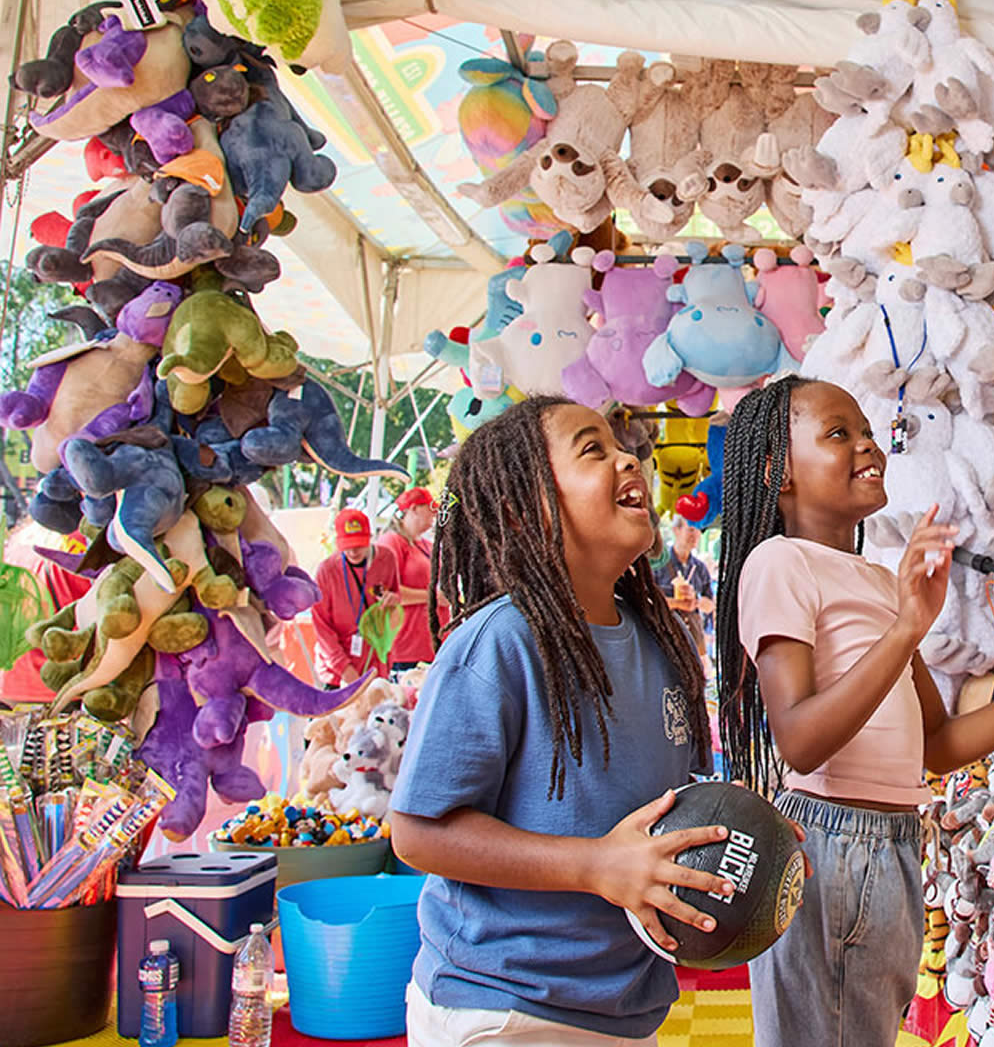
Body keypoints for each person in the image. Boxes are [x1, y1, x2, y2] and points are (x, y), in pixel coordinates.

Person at [715, 377, 994, 1047]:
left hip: (892, 843)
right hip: (827, 842)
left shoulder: (881, 582)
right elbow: (798, 741)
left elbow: (933, 746)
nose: (868, 447)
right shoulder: (778, 563)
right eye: (838, 434)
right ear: (777, 471)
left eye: (868, 432)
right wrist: (907, 629)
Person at [389, 397, 752, 1047]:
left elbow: (662, 807)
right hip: (503, 1009)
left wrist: (745, 834)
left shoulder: (662, 639)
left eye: (621, 444)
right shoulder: (498, 642)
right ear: (521, 509)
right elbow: (418, 833)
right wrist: (594, 866)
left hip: (627, 1007)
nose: (626, 458)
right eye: (592, 449)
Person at [311, 509, 403, 687]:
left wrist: (392, 599)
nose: (353, 551)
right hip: (338, 674)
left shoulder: (386, 558)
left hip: (375, 667)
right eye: (347, 546)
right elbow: (322, 627)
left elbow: (394, 595)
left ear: (370, 538)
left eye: (359, 545)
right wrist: (345, 670)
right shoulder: (327, 570)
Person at [378, 487, 443, 673]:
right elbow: (384, 591)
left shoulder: (425, 544)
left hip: (433, 643)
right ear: (414, 509)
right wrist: (432, 598)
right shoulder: (391, 543)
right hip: (406, 647)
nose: (435, 513)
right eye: (430, 508)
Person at [653, 516, 713, 654]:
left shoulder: (700, 568)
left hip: (693, 642)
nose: (696, 534)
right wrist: (678, 603)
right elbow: (647, 602)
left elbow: (710, 606)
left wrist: (697, 602)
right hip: (664, 643)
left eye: (699, 530)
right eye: (691, 529)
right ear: (676, 530)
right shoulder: (658, 564)